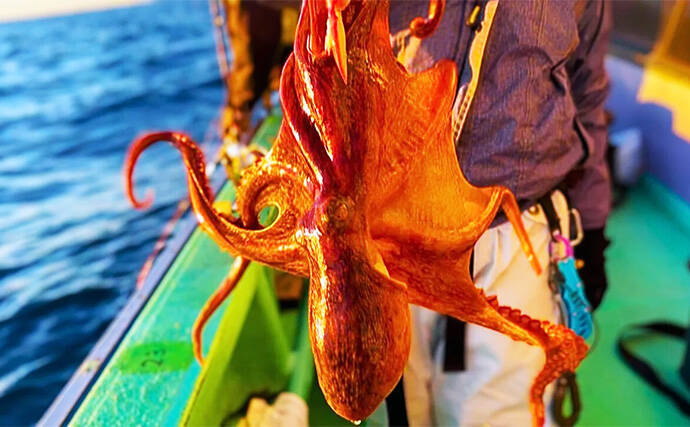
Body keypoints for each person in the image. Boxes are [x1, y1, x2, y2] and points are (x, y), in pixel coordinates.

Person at [234, 0, 611, 425]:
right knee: (396, 412)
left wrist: (592, 222)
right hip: (384, 247)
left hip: (517, 236)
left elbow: (587, 92)